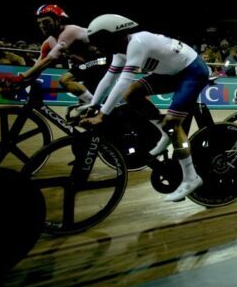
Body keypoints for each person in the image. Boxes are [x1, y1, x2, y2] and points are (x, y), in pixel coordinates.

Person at [81, 15, 208, 202]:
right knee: (131, 95)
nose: (97, 47)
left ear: (112, 36)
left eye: (99, 42)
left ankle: (191, 178)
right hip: (172, 72)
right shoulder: (120, 50)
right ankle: (163, 131)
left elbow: (123, 81)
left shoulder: (137, 43)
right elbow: (109, 79)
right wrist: (93, 105)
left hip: (192, 72)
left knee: (172, 124)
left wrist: (102, 114)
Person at [0, 5, 104, 106]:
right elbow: (37, 68)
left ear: (58, 20)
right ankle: (96, 106)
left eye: (46, 22)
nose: (42, 26)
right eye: (39, 23)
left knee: (65, 79)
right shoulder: (48, 43)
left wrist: (21, 77)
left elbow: (51, 58)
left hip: (103, 60)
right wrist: (19, 86)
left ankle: (96, 106)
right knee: (82, 110)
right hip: (90, 66)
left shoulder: (70, 31)